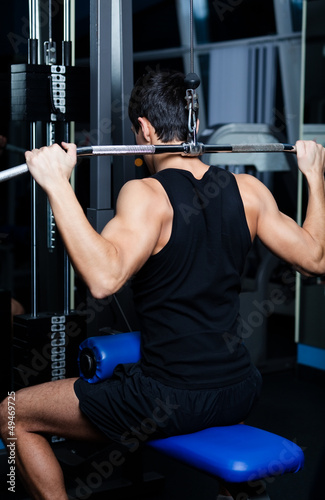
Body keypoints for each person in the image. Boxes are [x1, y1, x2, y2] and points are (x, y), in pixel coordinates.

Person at [0, 69, 325, 500]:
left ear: (145, 129)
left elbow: (103, 279)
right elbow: (316, 260)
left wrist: (58, 184)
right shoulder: (250, 191)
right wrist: (314, 176)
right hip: (240, 389)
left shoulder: (146, 194)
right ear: (193, 126)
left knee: (11, 412)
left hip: (166, 400)